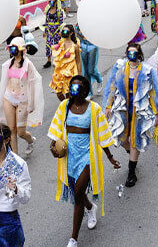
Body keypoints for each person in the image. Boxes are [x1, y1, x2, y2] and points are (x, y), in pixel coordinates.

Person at [48, 76, 120, 247]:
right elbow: (57, 130)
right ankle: (90, 208)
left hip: (88, 157)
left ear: (85, 90)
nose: (74, 91)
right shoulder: (64, 106)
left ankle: (73, 238)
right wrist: (54, 146)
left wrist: (110, 158)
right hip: (69, 156)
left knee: (79, 193)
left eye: (78, 88)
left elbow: (102, 136)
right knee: (76, 193)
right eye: (72, 87)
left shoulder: (94, 109)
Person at [103, 44, 158, 189]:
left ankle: (132, 173)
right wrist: (108, 105)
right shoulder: (120, 67)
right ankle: (131, 152)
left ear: (139, 54)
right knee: (119, 137)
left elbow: (153, 93)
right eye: (129, 53)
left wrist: (156, 113)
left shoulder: (146, 70)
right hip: (122, 109)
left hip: (140, 110)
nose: (131, 55)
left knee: (135, 140)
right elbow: (113, 87)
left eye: (134, 53)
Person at [0, 37, 43, 156]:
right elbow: (3, 82)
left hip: (23, 100)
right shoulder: (7, 64)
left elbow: (33, 83)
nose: (12, 50)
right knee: (11, 130)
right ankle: (15, 157)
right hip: (9, 97)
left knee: (20, 132)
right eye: (11, 48)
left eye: (14, 48)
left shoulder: (28, 64)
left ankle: (30, 141)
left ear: (21, 50)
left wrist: (31, 104)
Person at [50, 24, 81, 101]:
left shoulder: (75, 46)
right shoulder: (60, 43)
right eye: (63, 31)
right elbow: (57, 58)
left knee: (69, 94)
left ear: (71, 33)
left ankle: (67, 109)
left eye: (66, 31)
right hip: (60, 73)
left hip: (71, 72)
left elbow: (78, 61)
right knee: (59, 93)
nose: (64, 32)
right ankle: (65, 105)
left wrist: (79, 75)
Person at [75, 25, 102, 95]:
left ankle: (99, 79)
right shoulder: (79, 24)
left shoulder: (95, 24)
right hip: (83, 46)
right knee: (85, 71)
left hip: (92, 47)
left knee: (91, 70)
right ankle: (89, 93)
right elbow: (76, 33)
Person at [43, 0, 65, 68]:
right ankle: (49, 61)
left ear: (55, 3)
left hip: (56, 30)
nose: (50, 3)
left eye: (52, 2)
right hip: (49, 30)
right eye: (49, 2)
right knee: (48, 45)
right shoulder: (48, 11)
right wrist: (45, 31)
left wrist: (60, 31)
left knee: (56, 46)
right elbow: (46, 21)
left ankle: (57, 61)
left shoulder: (59, 11)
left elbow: (61, 22)